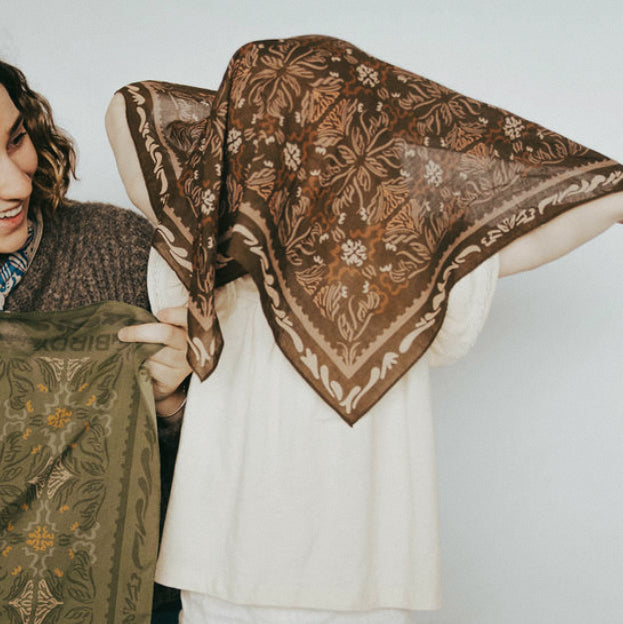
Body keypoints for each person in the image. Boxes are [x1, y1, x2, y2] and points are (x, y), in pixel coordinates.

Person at [107, 36, 623, 623]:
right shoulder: (214, 243)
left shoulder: (405, 258)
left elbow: (530, 233)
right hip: (234, 563)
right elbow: (132, 107)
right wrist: (268, 115)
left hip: (343, 572)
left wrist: (611, 192)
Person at [0, 60, 190, 622]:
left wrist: (174, 404)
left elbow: (219, 482)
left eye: (16, 141)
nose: (15, 183)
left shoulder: (119, 249)